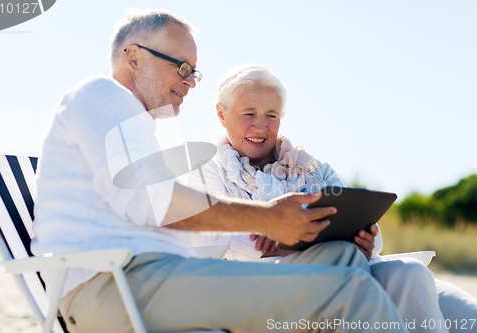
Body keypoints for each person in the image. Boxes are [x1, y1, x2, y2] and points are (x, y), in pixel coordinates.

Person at [29, 8, 410, 333]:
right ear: (132, 57)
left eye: (194, 72)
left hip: (164, 278)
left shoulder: (140, 130)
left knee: (341, 261)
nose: (191, 82)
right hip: (119, 285)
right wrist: (268, 218)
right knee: (347, 289)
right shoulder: (99, 94)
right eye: (181, 67)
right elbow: (150, 200)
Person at [188, 64, 477, 333]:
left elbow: (374, 239)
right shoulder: (208, 170)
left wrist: (364, 240)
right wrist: (278, 237)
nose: (261, 126)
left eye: (271, 115)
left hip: (348, 264)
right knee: (342, 262)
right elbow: (209, 240)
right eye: (249, 113)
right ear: (221, 114)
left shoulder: (313, 167)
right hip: (266, 281)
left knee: (412, 273)